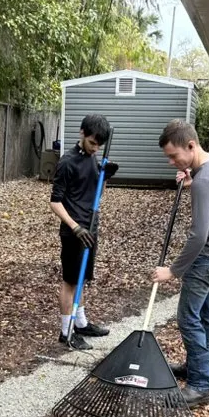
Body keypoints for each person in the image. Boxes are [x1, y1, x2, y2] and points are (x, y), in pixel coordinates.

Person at [151, 119, 209, 408]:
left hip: (205, 259)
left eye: (174, 156)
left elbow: (198, 236)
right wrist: (193, 179)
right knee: (205, 315)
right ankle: (195, 368)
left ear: (191, 146)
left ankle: (201, 384)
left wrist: (173, 271)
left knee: (189, 319)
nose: (171, 162)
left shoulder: (204, 181)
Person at [49, 114, 118, 350]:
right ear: (82, 133)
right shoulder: (67, 162)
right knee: (70, 282)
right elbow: (55, 202)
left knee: (82, 279)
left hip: (90, 228)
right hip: (74, 231)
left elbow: (97, 195)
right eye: (92, 143)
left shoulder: (92, 159)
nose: (95, 148)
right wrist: (75, 226)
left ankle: (81, 323)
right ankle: (66, 332)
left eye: (99, 145)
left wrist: (104, 177)